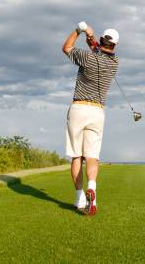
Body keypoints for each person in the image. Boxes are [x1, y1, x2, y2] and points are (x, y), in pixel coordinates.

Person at [61, 23, 119, 215]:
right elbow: (98, 51)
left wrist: (79, 30)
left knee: (77, 156)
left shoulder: (87, 57)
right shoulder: (114, 63)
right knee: (92, 157)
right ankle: (92, 188)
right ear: (115, 46)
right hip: (97, 112)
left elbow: (66, 48)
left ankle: (79, 198)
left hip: (79, 108)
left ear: (102, 40)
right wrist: (90, 38)